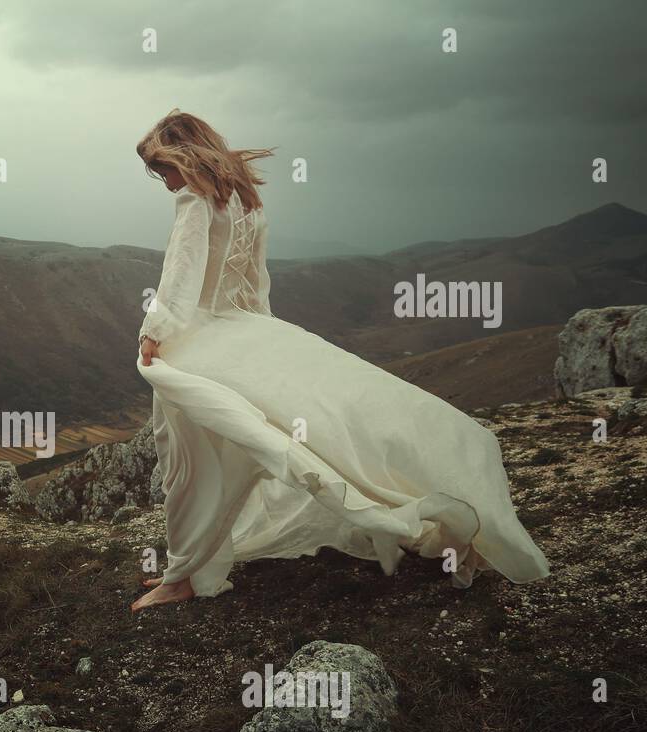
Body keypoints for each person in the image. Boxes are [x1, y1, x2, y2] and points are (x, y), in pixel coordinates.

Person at [131, 109, 549, 611]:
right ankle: (192, 564)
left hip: (199, 340)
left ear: (184, 156)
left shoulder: (194, 201)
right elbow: (254, 286)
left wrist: (152, 335)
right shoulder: (248, 201)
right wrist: (262, 336)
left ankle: (182, 576)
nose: (163, 180)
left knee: (190, 463)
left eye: (163, 168)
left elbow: (180, 277)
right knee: (239, 450)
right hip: (243, 329)